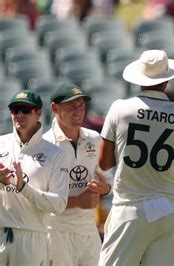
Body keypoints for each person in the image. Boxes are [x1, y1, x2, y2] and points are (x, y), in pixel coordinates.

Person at [98, 49, 174, 265]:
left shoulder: (120, 108)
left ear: (139, 79)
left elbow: (104, 163)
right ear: (166, 82)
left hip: (129, 208)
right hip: (165, 210)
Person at [43, 83, 112, 266]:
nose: (78, 112)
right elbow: (38, 199)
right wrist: (78, 201)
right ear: (54, 108)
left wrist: (104, 189)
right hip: (57, 231)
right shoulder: (44, 146)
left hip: (89, 230)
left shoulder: (94, 138)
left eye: (81, 106)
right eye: (71, 107)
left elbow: (108, 182)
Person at [0, 90, 69, 265]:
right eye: (15, 110)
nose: (20, 115)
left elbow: (59, 205)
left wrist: (24, 188)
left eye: (25, 109)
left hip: (33, 236)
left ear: (38, 113)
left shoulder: (55, 154)